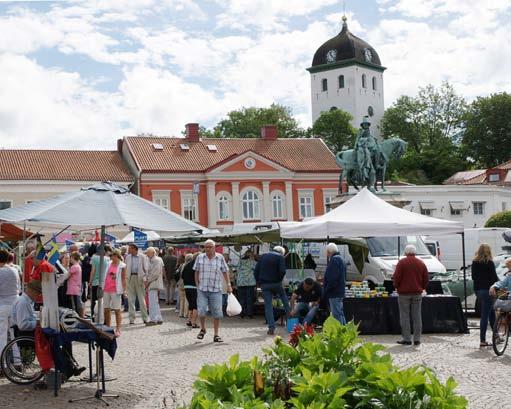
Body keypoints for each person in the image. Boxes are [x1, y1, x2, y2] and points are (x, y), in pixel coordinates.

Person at [11, 280, 85, 379]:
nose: (38, 296)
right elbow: (23, 325)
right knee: (56, 339)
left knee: (63, 337)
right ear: (31, 291)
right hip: (26, 334)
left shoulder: (26, 301)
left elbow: (30, 317)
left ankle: (69, 366)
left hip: (30, 331)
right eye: (38, 293)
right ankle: (65, 368)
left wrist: (41, 317)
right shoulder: (23, 302)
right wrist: (39, 322)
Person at [194, 239, 231, 342]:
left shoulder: (220, 257)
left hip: (216, 289)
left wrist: (228, 284)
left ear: (214, 248)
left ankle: (216, 334)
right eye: (206, 247)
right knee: (201, 311)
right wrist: (197, 284)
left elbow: (225, 271)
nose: (207, 249)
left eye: (210, 247)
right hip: (202, 289)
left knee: (217, 312)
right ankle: (203, 329)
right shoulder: (200, 257)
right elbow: (196, 271)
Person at [393, 244, 429, 346]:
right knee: (417, 316)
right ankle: (417, 339)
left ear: (405, 252)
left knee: (405, 316)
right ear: (415, 252)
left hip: (404, 293)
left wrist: (396, 286)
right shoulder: (421, 263)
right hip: (417, 293)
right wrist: (421, 287)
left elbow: (396, 277)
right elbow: (426, 278)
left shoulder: (401, 263)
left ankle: (407, 339)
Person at [254, 246, 290, 335]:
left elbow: (255, 271)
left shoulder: (263, 256)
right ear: (282, 252)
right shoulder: (280, 257)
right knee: (285, 300)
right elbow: (282, 271)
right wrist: (279, 280)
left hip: (264, 284)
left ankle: (271, 327)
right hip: (277, 283)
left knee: (268, 305)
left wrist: (258, 282)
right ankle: (291, 322)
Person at [471, 244, 499, 347]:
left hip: (478, 290)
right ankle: (482, 340)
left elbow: (473, 277)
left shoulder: (474, 262)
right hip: (488, 290)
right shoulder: (489, 263)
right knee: (485, 316)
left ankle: (496, 336)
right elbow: (494, 278)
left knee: (491, 313)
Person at [102, 249, 126, 336]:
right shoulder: (108, 264)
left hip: (116, 289)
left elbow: (123, 278)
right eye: (111, 256)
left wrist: (124, 290)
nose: (111, 257)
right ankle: (108, 327)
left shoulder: (122, 266)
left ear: (117, 256)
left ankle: (118, 328)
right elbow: (105, 275)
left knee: (117, 310)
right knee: (106, 309)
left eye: (113, 256)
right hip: (106, 289)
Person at [0, 249, 19, 356]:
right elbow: (19, 288)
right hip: (15, 304)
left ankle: (3, 364)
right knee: (15, 335)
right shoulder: (15, 270)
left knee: (1, 336)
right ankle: (17, 361)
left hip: (2, 305)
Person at [125, 243, 149, 324]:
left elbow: (146, 269)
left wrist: (145, 280)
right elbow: (126, 268)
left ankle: (145, 318)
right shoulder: (128, 257)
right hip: (130, 278)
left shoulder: (142, 257)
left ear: (135, 249)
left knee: (142, 299)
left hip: (140, 279)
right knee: (130, 300)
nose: (128, 250)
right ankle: (131, 319)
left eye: (130, 249)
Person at [323, 243, 347, 325]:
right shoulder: (341, 259)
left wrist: (327, 289)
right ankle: (345, 331)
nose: (326, 254)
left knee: (336, 314)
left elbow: (332, 278)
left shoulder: (334, 260)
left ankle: (340, 333)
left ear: (329, 251)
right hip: (339, 291)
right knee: (340, 313)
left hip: (334, 292)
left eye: (326, 252)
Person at [88, 244, 112, 320]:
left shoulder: (94, 258)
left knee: (94, 301)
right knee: (104, 301)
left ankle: (93, 316)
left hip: (95, 282)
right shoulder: (108, 259)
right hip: (105, 283)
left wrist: (90, 281)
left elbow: (93, 271)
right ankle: (104, 317)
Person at [145, 247, 164, 325]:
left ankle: (153, 319)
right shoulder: (155, 260)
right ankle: (159, 318)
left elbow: (155, 273)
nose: (147, 254)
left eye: (148, 253)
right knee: (155, 302)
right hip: (154, 282)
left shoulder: (156, 260)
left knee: (152, 302)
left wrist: (148, 281)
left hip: (153, 283)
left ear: (152, 253)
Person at [236, 249, 257, 319]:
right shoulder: (253, 262)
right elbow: (257, 270)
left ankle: (242, 312)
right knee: (249, 298)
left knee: (241, 298)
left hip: (240, 282)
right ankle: (249, 313)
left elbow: (237, 270)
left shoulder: (240, 261)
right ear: (251, 255)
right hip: (250, 282)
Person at [181, 253, 199, 328]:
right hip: (194, 287)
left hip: (186, 287)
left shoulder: (187, 265)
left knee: (191, 304)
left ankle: (189, 320)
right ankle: (194, 323)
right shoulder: (197, 265)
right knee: (195, 305)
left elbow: (182, 275)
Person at [67, 252, 84, 317]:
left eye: (71, 258)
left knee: (74, 305)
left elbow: (67, 276)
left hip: (73, 288)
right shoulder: (78, 266)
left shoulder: (74, 267)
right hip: (77, 287)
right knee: (77, 304)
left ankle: (77, 318)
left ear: (73, 258)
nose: (70, 259)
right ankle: (80, 317)